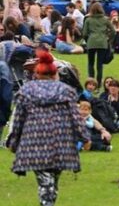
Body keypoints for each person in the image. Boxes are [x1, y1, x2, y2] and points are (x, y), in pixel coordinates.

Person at [7, 50, 89, 205]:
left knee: (46, 181)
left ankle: (46, 201)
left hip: (34, 143)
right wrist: (84, 138)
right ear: (55, 74)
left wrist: (13, 141)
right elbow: (76, 118)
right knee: (51, 181)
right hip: (61, 143)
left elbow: (18, 120)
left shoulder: (26, 91)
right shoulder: (67, 91)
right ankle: (47, 201)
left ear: (36, 74)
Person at [82, 2, 115, 84]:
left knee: (90, 63)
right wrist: (109, 40)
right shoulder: (105, 19)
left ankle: (91, 82)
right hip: (102, 42)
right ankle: (99, 83)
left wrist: (87, 40)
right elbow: (113, 31)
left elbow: (85, 33)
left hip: (91, 42)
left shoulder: (88, 20)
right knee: (99, 64)